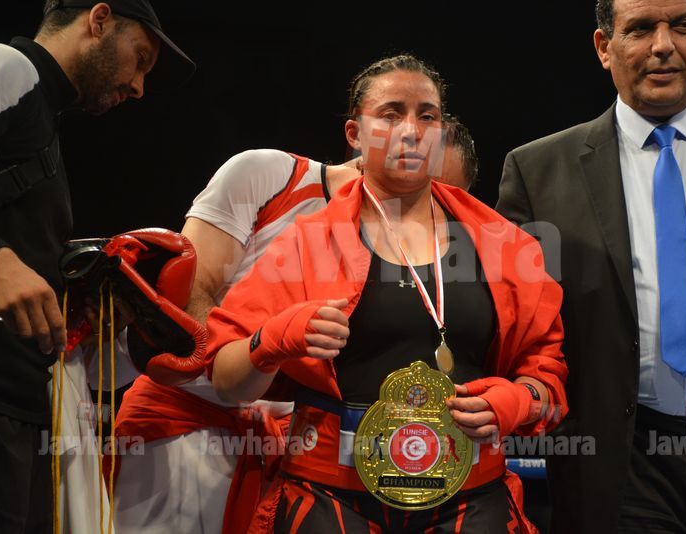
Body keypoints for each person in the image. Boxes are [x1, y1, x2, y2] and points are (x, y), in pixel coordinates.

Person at [205, 54, 568, 533]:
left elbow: (547, 376)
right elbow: (226, 380)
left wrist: (519, 400)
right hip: (332, 497)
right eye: (391, 114)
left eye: (427, 116)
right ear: (355, 134)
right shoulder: (305, 244)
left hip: (470, 498)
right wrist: (270, 340)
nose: (411, 131)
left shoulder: (503, 244)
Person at [496, 1, 686, 532]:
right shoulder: (537, 171)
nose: (663, 45)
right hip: (620, 465)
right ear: (603, 47)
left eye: (680, 26)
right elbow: (513, 323)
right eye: (639, 29)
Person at [111, 114, 479, 533]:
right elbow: (190, 290)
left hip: (302, 456)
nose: (429, 204)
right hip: (189, 430)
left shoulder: (432, 259)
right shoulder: (268, 176)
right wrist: (253, 355)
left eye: (447, 198)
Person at [0, 1, 194, 531]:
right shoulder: (7, 67)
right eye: (140, 59)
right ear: (99, 20)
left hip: (24, 406)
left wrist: (82, 302)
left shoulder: (43, 120)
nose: (139, 87)